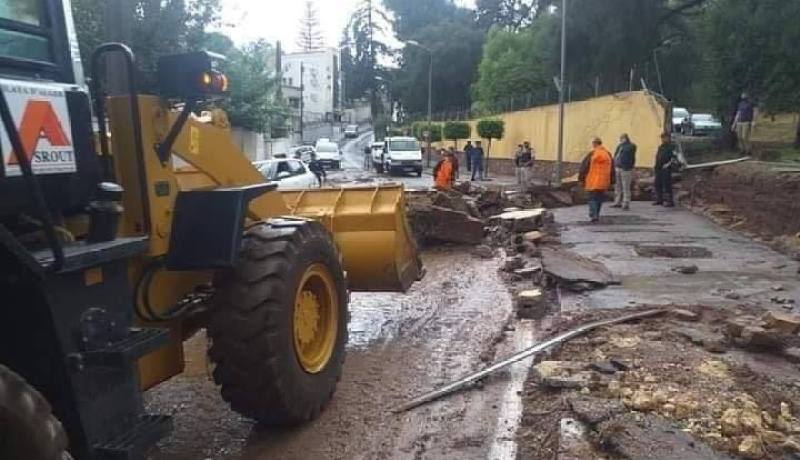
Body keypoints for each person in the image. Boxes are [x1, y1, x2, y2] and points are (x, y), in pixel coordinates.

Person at [578, 137, 615, 223]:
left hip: (592, 181)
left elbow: (584, 167)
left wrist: (581, 178)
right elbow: (612, 168)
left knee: (592, 198)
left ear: (594, 144)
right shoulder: (607, 154)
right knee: (599, 198)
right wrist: (612, 180)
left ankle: (593, 215)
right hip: (603, 181)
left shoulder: (592, 154)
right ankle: (597, 213)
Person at [611, 134, 637, 210]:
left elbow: (629, 153)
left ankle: (626, 202)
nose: (621, 140)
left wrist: (624, 145)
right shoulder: (620, 146)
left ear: (626, 138)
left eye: (622, 138)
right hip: (618, 168)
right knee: (617, 186)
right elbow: (616, 155)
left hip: (626, 168)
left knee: (626, 186)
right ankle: (617, 201)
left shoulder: (631, 146)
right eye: (621, 138)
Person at [653, 132, 677, 207]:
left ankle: (669, 201)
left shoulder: (672, 147)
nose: (663, 139)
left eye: (665, 137)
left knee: (667, 184)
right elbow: (657, 157)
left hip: (666, 168)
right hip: (659, 168)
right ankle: (659, 199)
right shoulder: (661, 147)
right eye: (662, 138)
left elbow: (674, 157)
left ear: (668, 138)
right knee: (657, 184)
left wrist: (668, 164)